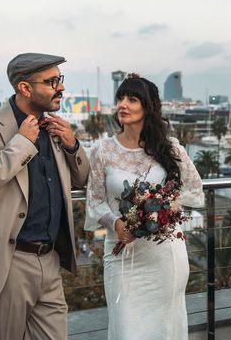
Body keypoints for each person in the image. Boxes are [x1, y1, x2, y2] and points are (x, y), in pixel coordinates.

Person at [0, 53, 89, 340]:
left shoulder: (55, 128)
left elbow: (85, 180)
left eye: (60, 79)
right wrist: (21, 144)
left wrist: (72, 145)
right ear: (25, 88)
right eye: (52, 81)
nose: (60, 87)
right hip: (6, 263)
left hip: (50, 261)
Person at [84, 74, 204, 340]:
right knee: (126, 330)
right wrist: (115, 223)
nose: (123, 105)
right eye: (120, 98)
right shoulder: (102, 150)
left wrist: (162, 209)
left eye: (132, 99)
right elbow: (95, 201)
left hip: (164, 256)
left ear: (147, 107)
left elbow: (194, 190)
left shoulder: (169, 148)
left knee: (166, 329)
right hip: (123, 255)